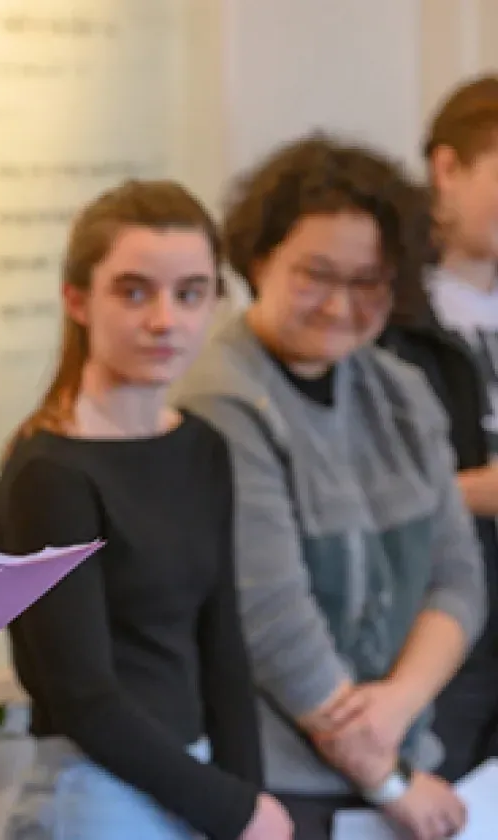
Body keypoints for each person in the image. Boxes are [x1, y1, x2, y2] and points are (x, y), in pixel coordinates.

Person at [171, 135, 487, 840]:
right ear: (260, 259)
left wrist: (398, 706)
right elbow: (273, 617)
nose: (341, 304)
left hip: (404, 760)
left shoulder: (400, 390)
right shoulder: (221, 396)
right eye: (316, 274)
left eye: (369, 280)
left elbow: (458, 577)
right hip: (280, 787)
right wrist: (385, 772)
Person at [0, 180, 290, 840]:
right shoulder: (50, 473)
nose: (164, 320)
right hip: (97, 791)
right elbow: (81, 695)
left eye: (190, 294)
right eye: (134, 292)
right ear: (77, 299)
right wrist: (233, 810)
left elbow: (224, 645)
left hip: (197, 778)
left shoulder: (201, 447)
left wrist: (248, 798)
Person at [379, 74, 498, 782]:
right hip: (433, 636)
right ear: (447, 168)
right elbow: (347, 492)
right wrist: (469, 493)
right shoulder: (385, 314)